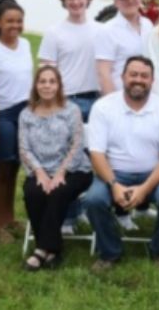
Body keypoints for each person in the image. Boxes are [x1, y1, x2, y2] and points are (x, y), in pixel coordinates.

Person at [83, 56, 159, 270]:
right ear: (123, 77)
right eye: (133, 74)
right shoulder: (103, 107)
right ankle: (109, 252)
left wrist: (145, 189)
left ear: (152, 80)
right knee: (93, 200)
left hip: (155, 174)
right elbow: (97, 154)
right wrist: (114, 185)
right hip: (114, 172)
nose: (138, 80)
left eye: (144, 76)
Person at [19, 66, 93, 271]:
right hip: (40, 169)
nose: (47, 85)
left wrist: (61, 172)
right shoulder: (26, 114)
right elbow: (24, 149)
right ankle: (52, 249)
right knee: (33, 192)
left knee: (58, 192)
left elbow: (77, 145)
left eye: (52, 81)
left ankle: (42, 249)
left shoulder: (71, 110)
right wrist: (40, 173)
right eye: (42, 81)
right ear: (36, 85)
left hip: (75, 169)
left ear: (59, 85)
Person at [0, 0, 33, 243]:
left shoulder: (24, 44)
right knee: (1, 168)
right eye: (9, 21)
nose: (15, 26)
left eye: (19, 21)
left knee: (15, 167)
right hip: (2, 113)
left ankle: (10, 218)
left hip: (25, 112)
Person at [38, 0, 102, 121]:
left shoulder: (101, 31)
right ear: (64, 2)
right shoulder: (53, 33)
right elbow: (46, 72)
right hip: (66, 101)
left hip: (97, 101)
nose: (75, 2)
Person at [95, 0, 153, 95]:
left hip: (147, 96)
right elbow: (103, 72)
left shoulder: (148, 25)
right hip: (121, 97)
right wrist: (113, 104)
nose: (130, 0)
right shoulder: (107, 30)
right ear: (116, 2)